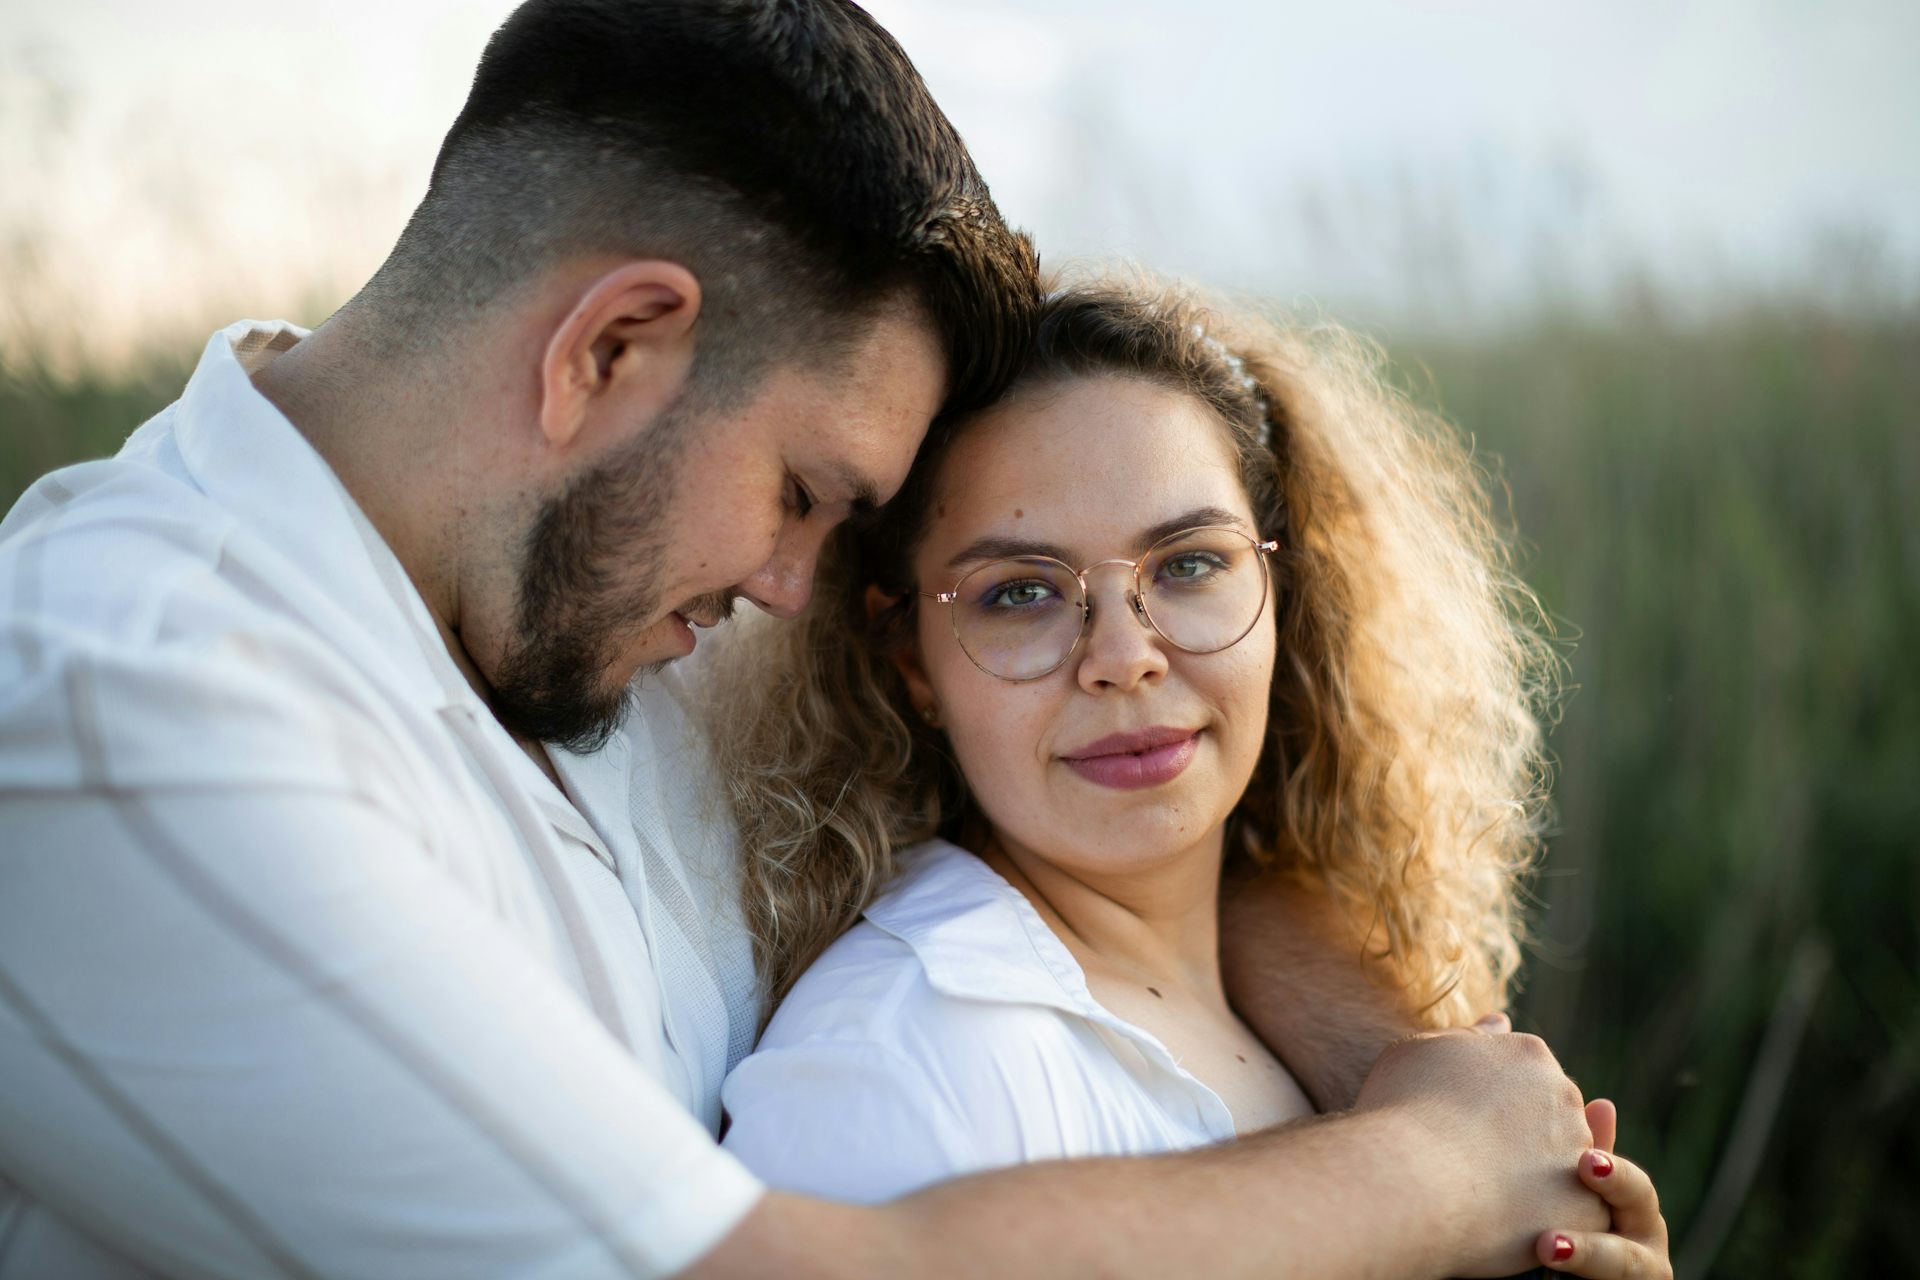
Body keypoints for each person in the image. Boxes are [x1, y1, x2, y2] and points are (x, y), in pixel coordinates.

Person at [0, 1, 1615, 1276]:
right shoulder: (114, 708)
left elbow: (1115, 808)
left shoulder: (585, 589)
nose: (790, 591)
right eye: (802, 492)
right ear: (613, 349)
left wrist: (1413, 1068)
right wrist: (1437, 1171)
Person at [709, 276, 1670, 1277]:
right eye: (1023, 591)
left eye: (1187, 564)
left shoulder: (1311, 985)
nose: (1125, 655)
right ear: (912, 660)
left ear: (1283, 591)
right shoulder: (890, 1062)